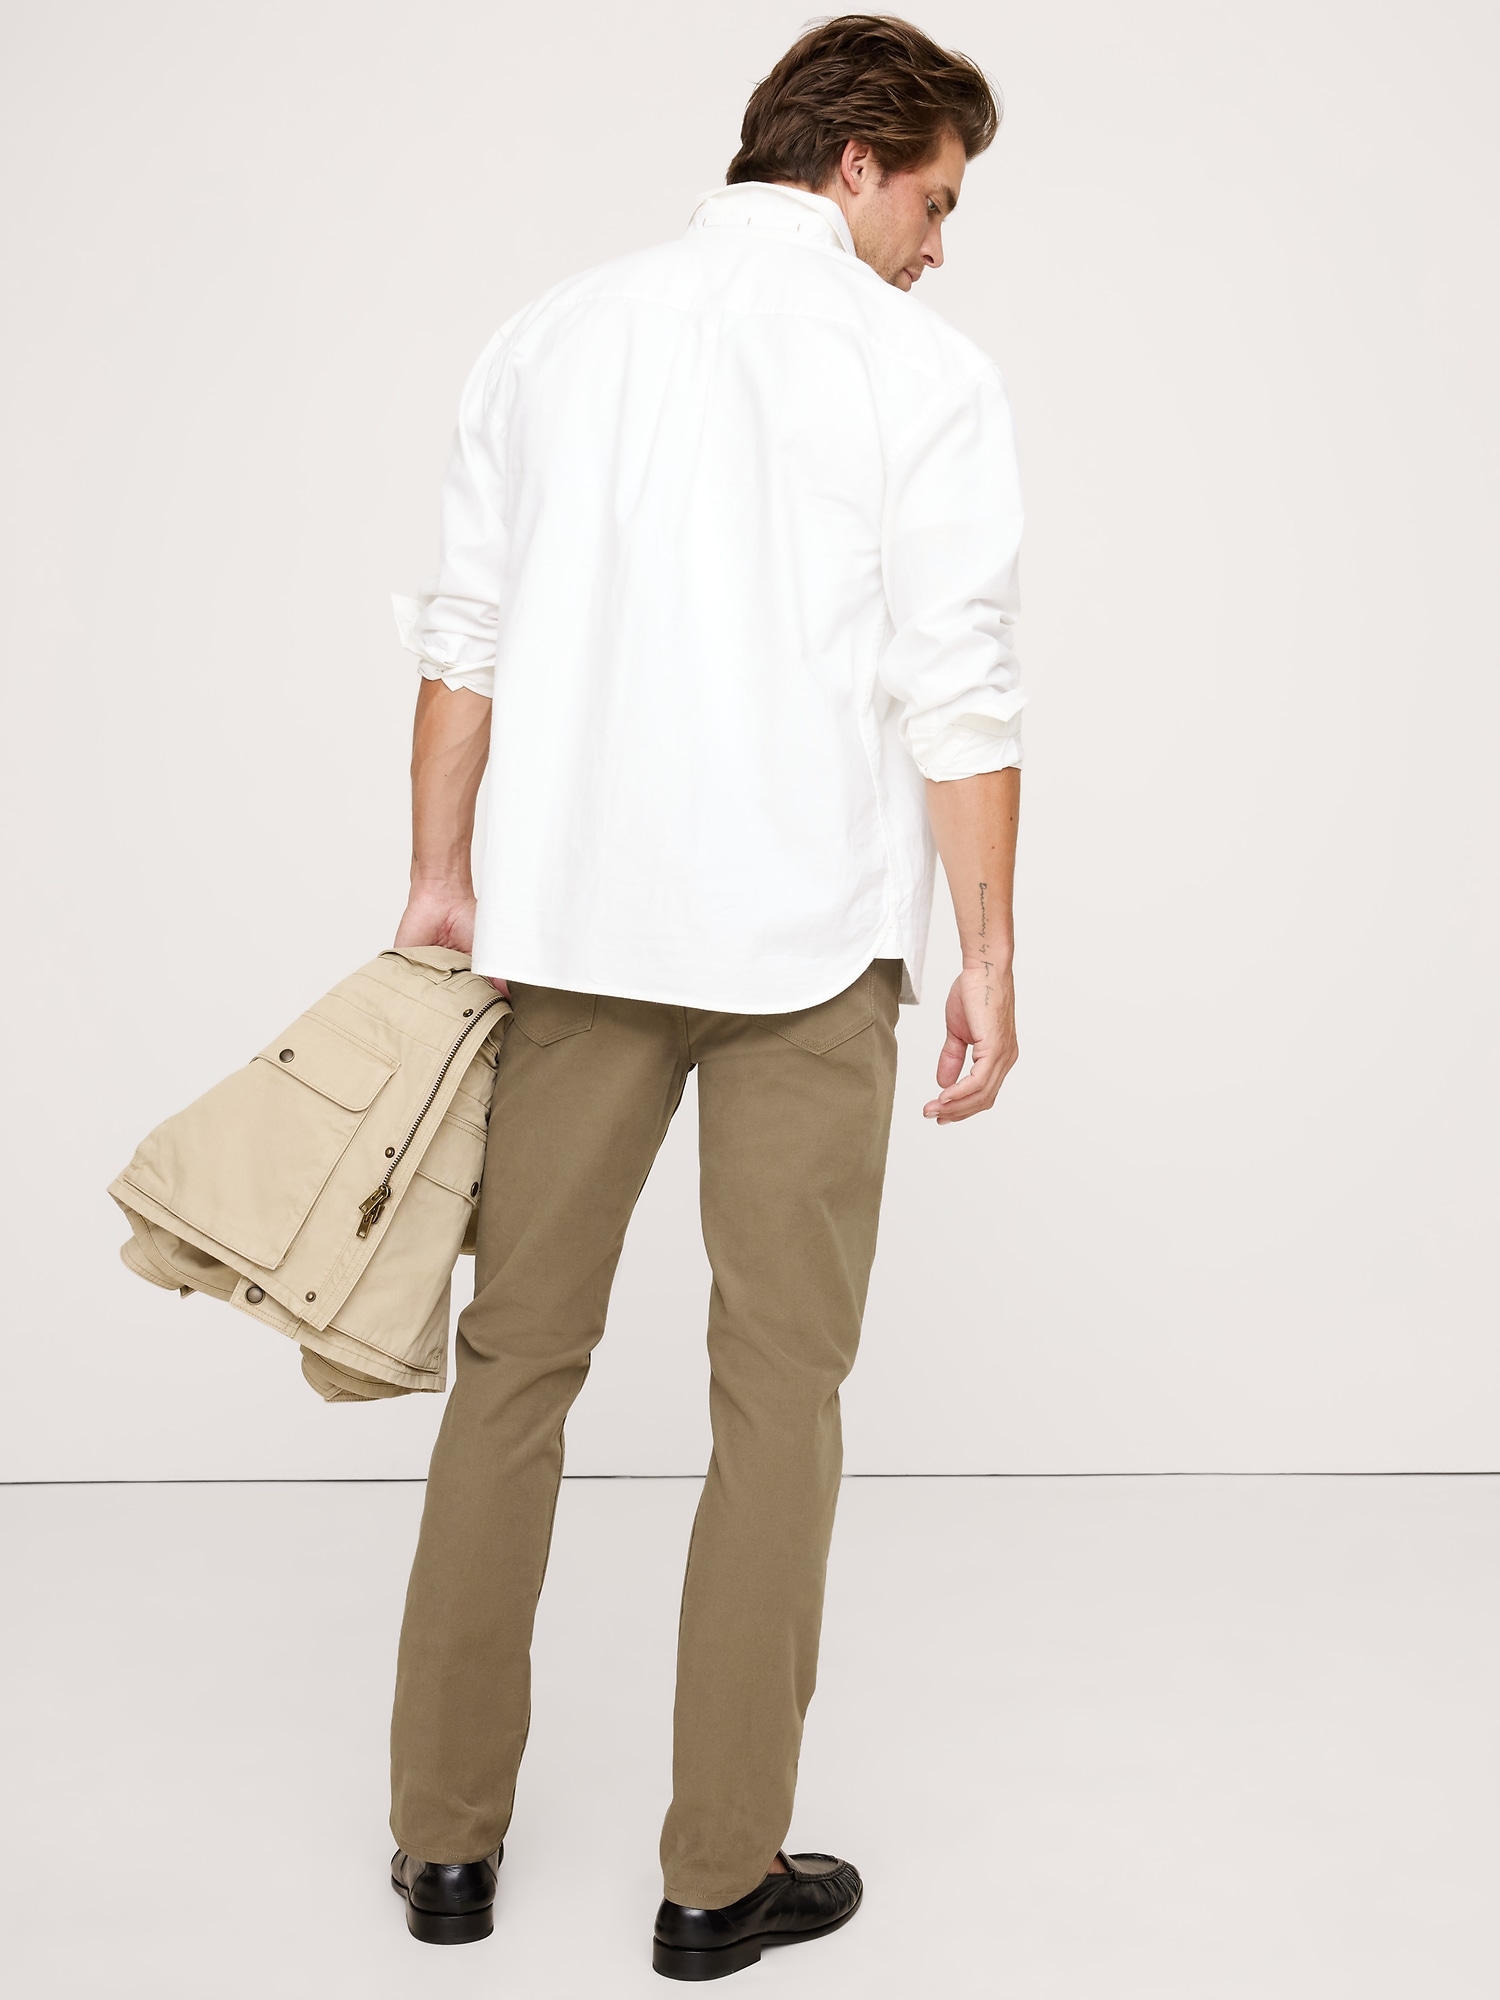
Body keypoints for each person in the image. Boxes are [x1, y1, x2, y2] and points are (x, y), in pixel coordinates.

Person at [385, 13, 1025, 1980]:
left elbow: (466, 635)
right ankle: (715, 1878)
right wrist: (992, 947)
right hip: (805, 951)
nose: (940, 245)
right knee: (778, 1399)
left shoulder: (551, 335)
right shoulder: (915, 369)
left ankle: (442, 1853)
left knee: (513, 1367)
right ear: (855, 160)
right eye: (936, 200)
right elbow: (959, 681)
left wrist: (439, 876)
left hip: (572, 933)